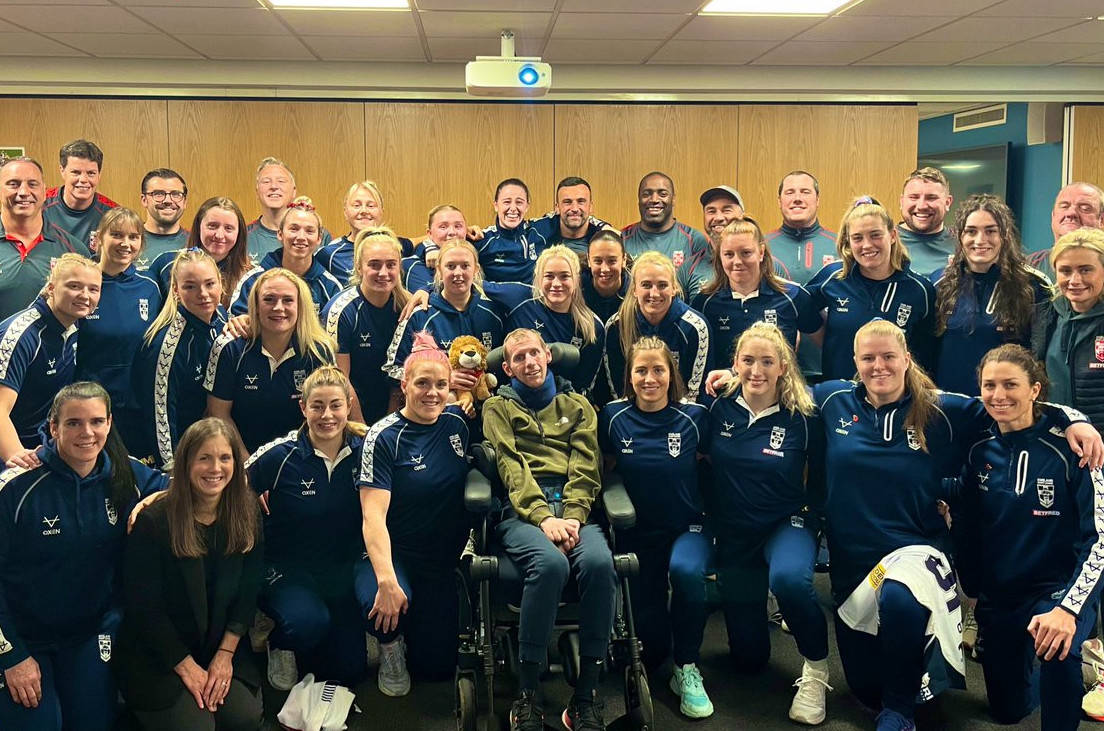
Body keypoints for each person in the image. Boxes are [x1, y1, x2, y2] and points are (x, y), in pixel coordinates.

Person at [813, 319, 1101, 730]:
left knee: (1052, 655)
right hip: (855, 560)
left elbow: (1019, 408)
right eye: (869, 357)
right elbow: (774, 385)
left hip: (916, 551)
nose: (879, 365)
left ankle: (904, 710)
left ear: (907, 359)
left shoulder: (941, 407)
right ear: (855, 361)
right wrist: (732, 375)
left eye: (889, 356)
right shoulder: (831, 399)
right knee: (868, 690)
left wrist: (1076, 418)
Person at [0, 382, 166, 731]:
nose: (86, 433)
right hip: (23, 637)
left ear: (109, 423)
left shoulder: (125, 473)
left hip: (90, 633)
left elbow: (181, 486)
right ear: (53, 427)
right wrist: (12, 656)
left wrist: (151, 501)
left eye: (96, 421)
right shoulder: (16, 487)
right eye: (74, 423)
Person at [955, 345, 1104, 731]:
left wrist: (1068, 609)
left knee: (1058, 648)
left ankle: (1072, 665)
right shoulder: (977, 448)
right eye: (990, 385)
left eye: (1011, 385)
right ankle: (1075, 674)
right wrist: (971, 585)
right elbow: (969, 521)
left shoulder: (1076, 449)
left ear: (1036, 390)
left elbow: (1100, 540)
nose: (999, 395)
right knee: (1008, 710)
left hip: (1058, 586)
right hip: (1003, 590)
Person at [481, 328, 616, 731]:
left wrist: (573, 514)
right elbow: (510, 466)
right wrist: (543, 516)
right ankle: (527, 694)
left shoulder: (578, 405)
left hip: (575, 512)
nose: (529, 362)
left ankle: (585, 698)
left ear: (548, 356)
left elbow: (587, 464)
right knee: (552, 565)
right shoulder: (497, 409)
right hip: (523, 515)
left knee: (599, 563)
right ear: (507, 368)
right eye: (519, 358)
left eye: (534, 353)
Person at [702, 322, 830, 725]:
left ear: (783, 368)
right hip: (735, 533)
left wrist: (815, 521)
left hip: (785, 523)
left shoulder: (803, 415)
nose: (757, 370)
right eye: (748, 360)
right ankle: (765, 604)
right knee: (749, 662)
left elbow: (822, 474)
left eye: (767, 362)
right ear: (735, 363)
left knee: (791, 580)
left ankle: (816, 671)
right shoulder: (718, 406)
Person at [118, 418, 264, 731]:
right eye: (204, 458)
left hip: (215, 645)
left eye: (225, 458)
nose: (215, 468)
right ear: (186, 463)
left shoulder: (246, 511)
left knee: (244, 718)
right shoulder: (154, 521)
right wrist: (187, 668)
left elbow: (247, 592)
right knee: (198, 727)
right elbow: (146, 609)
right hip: (160, 653)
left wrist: (224, 656)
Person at [598, 337, 713, 719]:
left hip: (686, 528)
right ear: (629, 377)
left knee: (686, 574)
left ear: (671, 374)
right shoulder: (613, 416)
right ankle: (667, 654)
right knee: (652, 651)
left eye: (658, 370)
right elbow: (606, 468)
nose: (650, 378)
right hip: (638, 536)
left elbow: (709, 461)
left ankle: (689, 667)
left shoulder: (694, 417)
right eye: (641, 371)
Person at [355, 333, 472, 696]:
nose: (432, 393)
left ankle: (415, 634)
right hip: (394, 556)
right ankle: (389, 647)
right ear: (404, 385)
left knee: (437, 669)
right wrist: (387, 579)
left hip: (438, 563)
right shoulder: (384, 436)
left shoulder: (457, 424)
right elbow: (372, 517)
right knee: (383, 603)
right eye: (422, 383)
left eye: (441, 384)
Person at [245, 366, 367, 691]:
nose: (327, 415)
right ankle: (279, 639)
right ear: (303, 407)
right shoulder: (279, 455)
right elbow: (226, 483)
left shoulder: (366, 450)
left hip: (340, 567)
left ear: (348, 404)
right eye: (317, 406)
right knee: (307, 625)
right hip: (287, 566)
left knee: (351, 669)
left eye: (335, 405)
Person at [806, 197, 937, 381]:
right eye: (857, 238)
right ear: (848, 242)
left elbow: (927, 356)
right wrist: (826, 339)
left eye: (875, 235)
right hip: (841, 396)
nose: (867, 245)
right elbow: (801, 306)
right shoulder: (833, 278)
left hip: (897, 400)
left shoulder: (920, 290)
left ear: (892, 236)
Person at [932, 194, 1051, 396]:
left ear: (1004, 235)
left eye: (990, 231)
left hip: (1008, 407)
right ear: (960, 236)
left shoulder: (1033, 286)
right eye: (971, 231)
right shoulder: (938, 284)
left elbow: (1042, 358)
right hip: (951, 408)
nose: (980, 240)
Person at [207, 268, 335, 453]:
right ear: (256, 306)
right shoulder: (230, 349)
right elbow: (219, 414)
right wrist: (247, 466)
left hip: (298, 459)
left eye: (288, 300)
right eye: (269, 299)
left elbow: (326, 416)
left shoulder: (319, 352)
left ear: (300, 306)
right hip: (241, 459)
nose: (278, 307)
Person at [75, 207, 163, 450]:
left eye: (133, 237)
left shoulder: (150, 287)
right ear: (100, 238)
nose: (125, 243)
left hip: (137, 409)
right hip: (90, 408)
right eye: (116, 235)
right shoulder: (82, 284)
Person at [132, 250, 228, 468]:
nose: (202, 294)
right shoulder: (165, 345)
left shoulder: (222, 319)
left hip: (213, 442)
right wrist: (172, 470)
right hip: (181, 451)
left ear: (221, 283)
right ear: (175, 290)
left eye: (210, 284)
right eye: (190, 287)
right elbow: (160, 417)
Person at [0, 253, 100, 462]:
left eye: (93, 289)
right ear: (51, 288)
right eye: (74, 286)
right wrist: (17, 457)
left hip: (48, 446)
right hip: (16, 452)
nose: (85, 295)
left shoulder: (75, 325)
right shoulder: (21, 335)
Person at [692, 218, 821, 366]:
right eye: (728, 254)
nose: (737, 261)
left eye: (746, 253)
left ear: (761, 252)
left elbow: (823, 340)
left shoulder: (793, 295)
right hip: (723, 387)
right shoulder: (705, 302)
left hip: (780, 387)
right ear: (719, 256)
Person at [383, 239, 504, 383]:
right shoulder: (420, 315)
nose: (458, 273)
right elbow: (393, 369)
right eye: (450, 266)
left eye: (465, 266)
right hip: (433, 402)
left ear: (476, 269)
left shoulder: (493, 313)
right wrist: (441, 378)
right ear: (439, 269)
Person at [323, 227, 411, 424]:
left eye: (391, 265)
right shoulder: (341, 311)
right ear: (359, 267)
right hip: (350, 410)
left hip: (396, 407)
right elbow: (340, 379)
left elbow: (402, 374)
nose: (383, 273)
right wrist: (363, 430)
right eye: (374, 265)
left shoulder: (407, 306)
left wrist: (389, 425)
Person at [493, 245, 606, 395]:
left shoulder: (592, 327)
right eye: (549, 276)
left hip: (564, 404)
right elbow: (474, 285)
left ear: (576, 279)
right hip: (517, 400)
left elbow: (583, 385)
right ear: (539, 278)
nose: (556, 284)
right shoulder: (520, 306)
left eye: (564, 276)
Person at [604, 251, 711, 400]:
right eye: (646, 285)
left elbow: (696, 393)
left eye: (662, 285)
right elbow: (617, 390)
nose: (654, 293)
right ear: (634, 289)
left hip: (681, 416)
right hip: (631, 415)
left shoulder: (695, 327)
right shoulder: (616, 326)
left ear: (674, 288)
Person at [1035, 227, 1104, 428]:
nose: (1074, 280)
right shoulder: (1046, 315)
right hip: (1057, 439)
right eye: (1065, 270)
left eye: (1085, 270)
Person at [0, 157, 84, 319]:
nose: (24, 192)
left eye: (32, 184)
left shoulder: (74, 250)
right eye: (13, 184)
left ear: (44, 191)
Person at [230, 198, 342, 315]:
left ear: (319, 238)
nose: (301, 237)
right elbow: (235, 322)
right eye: (294, 229)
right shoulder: (253, 280)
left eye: (309, 231)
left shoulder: (330, 286)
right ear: (280, 234)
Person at [149, 196, 253, 310]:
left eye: (228, 228)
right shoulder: (167, 264)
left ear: (239, 233)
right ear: (199, 227)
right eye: (212, 226)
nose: (219, 235)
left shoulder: (251, 277)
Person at [621, 171, 711, 298]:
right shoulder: (622, 239)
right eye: (646, 194)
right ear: (639, 200)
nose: (654, 200)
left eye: (662, 194)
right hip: (632, 315)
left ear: (673, 199)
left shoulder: (695, 240)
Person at [316, 181, 414, 284]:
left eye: (371, 206)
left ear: (381, 211)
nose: (364, 211)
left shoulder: (395, 245)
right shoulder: (328, 254)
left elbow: (424, 239)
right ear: (345, 211)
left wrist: (429, 248)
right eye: (357, 205)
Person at [246, 156, 331, 263]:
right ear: (257, 191)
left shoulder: (318, 235)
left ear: (294, 191)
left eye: (281, 181)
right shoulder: (243, 237)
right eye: (266, 181)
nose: (274, 186)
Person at [42, 139, 116, 253]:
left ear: (99, 175)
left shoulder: (113, 215)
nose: (83, 180)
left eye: (91, 173)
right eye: (76, 172)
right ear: (62, 171)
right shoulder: (39, 205)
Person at [765, 170, 837, 285]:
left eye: (805, 192)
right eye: (790, 192)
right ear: (779, 201)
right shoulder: (761, 246)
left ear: (817, 200)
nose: (797, 198)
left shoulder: (841, 245)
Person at [1028, 182, 1104, 279]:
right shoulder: (1029, 267)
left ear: (1102, 220)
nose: (1071, 213)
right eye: (1064, 206)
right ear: (1053, 216)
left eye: (1085, 208)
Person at [896, 167, 956, 279]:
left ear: (947, 202)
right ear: (902, 201)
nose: (922, 206)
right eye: (914, 197)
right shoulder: (885, 242)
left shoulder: (962, 245)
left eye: (931, 198)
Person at [402, 204, 467, 293]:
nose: (452, 232)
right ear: (429, 233)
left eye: (458, 226)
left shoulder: (476, 255)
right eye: (443, 227)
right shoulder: (410, 265)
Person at [139, 168, 190, 265]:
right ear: (144, 200)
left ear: (185, 202)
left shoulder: (195, 242)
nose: (168, 201)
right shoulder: (127, 242)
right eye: (158, 194)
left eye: (176, 194)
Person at [582, 229, 629, 326]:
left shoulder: (636, 293)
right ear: (588, 260)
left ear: (624, 260)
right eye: (598, 261)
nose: (605, 269)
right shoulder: (575, 292)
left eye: (612, 261)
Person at [700, 184, 745, 252]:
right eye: (711, 211)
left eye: (727, 210)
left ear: (742, 215)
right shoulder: (694, 262)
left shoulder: (760, 258)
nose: (718, 218)